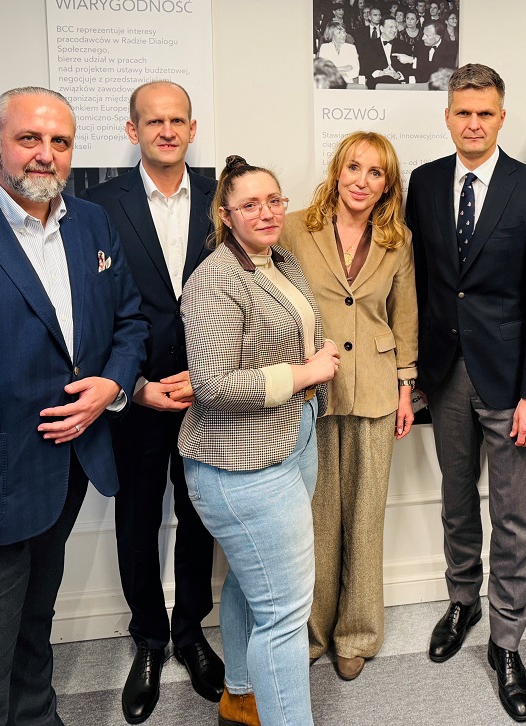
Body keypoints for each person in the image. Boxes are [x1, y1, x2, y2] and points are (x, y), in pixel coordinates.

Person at [0, 86, 148, 725]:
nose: (46, 154)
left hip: (70, 465)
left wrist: (112, 385)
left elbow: (129, 322)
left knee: (35, 619)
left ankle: (38, 714)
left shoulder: (91, 222)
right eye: (29, 138)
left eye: (60, 141)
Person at [407, 63, 526, 723]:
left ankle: (506, 640)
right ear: (448, 117)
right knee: (455, 499)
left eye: (485, 113)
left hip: (510, 381)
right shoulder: (423, 182)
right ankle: (462, 600)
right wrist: (413, 375)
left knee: (512, 513)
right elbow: (417, 282)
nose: (473, 124)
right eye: (463, 112)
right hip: (444, 374)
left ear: (501, 117)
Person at [178, 156, 340, 725]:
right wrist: (306, 372)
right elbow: (213, 385)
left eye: (274, 200)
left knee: (255, 587)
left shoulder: (280, 260)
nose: (267, 212)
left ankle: (241, 696)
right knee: (285, 614)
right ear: (225, 215)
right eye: (250, 204)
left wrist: (316, 357)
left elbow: (289, 335)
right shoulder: (214, 279)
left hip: (292, 441)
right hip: (240, 465)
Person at [82, 80, 224, 725]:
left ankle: (190, 632)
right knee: (137, 521)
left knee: (199, 516)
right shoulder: (97, 205)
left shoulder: (222, 196)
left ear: (193, 129)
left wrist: (210, 375)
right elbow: (92, 308)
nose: (166, 131)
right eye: (153, 121)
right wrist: (131, 383)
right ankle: (148, 639)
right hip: (134, 393)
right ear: (132, 130)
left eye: (177, 121)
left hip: (206, 392)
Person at [280, 132, 417, 682]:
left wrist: (406, 388)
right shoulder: (294, 228)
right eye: (354, 167)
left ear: (387, 185)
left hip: (378, 390)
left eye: (375, 172)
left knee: (365, 518)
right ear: (337, 171)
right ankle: (312, 632)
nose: (362, 180)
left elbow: (404, 316)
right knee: (315, 518)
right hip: (313, 389)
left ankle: (357, 633)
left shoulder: (398, 240)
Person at [360, 17, 412, 88]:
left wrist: (399, 75)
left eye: (396, 27)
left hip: (399, 85)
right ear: (381, 29)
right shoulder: (368, 46)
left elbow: (409, 68)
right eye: (391, 27)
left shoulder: (405, 46)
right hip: (376, 84)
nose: (394, 30)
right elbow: (364, 67)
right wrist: (379, 73)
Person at [317, 20, 361, 84]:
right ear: (331, 35)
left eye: (344, 32)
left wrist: (333, 69)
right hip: (329, 82)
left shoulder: (351, 48)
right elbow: (322, 69)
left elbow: (356, 70)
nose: (343, 35)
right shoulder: (325, 48)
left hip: (347, 82)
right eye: (339, 33)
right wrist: (344, 68)